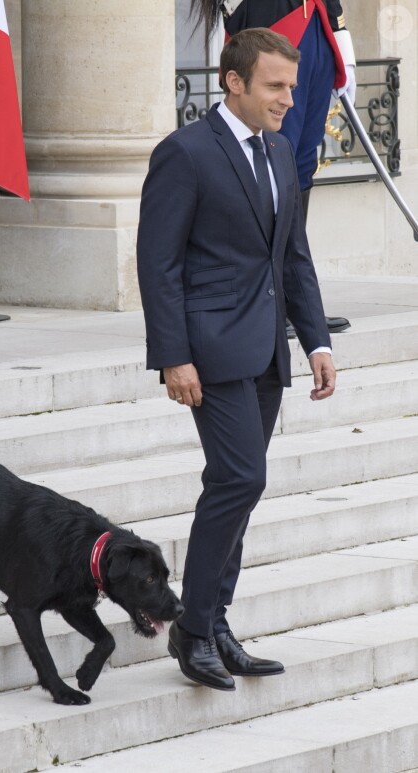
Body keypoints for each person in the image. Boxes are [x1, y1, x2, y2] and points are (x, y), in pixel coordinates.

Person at [137, 28, 336, 691]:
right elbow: (157, 262)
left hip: (266, 352)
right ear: (234, 82)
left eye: (291, 85)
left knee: (238, 488)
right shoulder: (185, 154)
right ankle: (193, 627)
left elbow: (293, 256)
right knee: (240, 479)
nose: (289, 98)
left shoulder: (279, 151)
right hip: (210, 351)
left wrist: (317, 340)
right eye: (276, 86)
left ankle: (216, 621)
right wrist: (173, 356)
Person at [191, 0, 355, 337]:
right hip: (275, 20)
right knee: (275, 159)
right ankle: (268, 300)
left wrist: (339, 34)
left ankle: (295, 300)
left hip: (315, 21)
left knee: (301, 165)